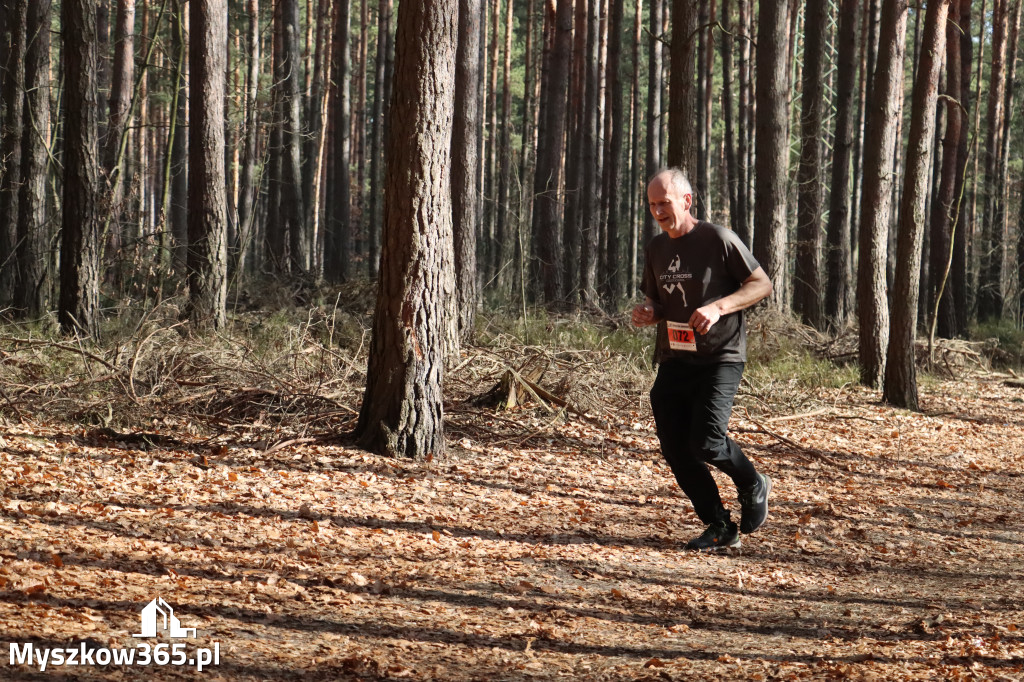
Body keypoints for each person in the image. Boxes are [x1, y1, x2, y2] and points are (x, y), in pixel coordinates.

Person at [631, 168, 774, 551]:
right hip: (675, 358)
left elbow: (762, 284)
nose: (658, 211)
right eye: (651, 204)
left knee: (707, 442)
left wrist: (718, 307)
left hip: (720, 357)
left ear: (686, 201)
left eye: (664, 202)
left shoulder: (718, 239)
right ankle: (718, 524)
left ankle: (752, 482)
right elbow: (658, 301)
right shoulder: (656, 249)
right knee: (676, 448)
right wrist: (649, 312)